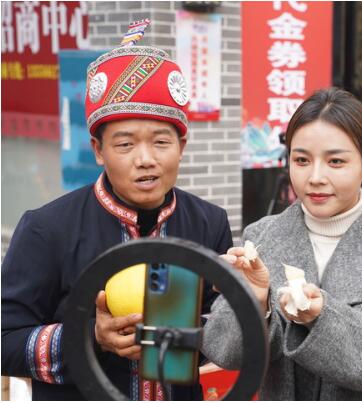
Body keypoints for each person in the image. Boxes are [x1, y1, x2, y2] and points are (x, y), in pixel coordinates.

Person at [1, 23, 232, 400]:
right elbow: (5, 339)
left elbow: (221, 328)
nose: (146, 159)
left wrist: (218, 318)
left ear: (182, 146)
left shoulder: (209, 223)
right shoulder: (47, 229)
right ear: (98, 150)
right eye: (125, 145)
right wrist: (91, 336)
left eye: (161, 142)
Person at [202, 88, 362, 400]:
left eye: (335, 161)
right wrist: (254, 303)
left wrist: (321, 316)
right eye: (301, 160)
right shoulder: (262, 236)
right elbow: (225, 352)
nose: (315, 177)